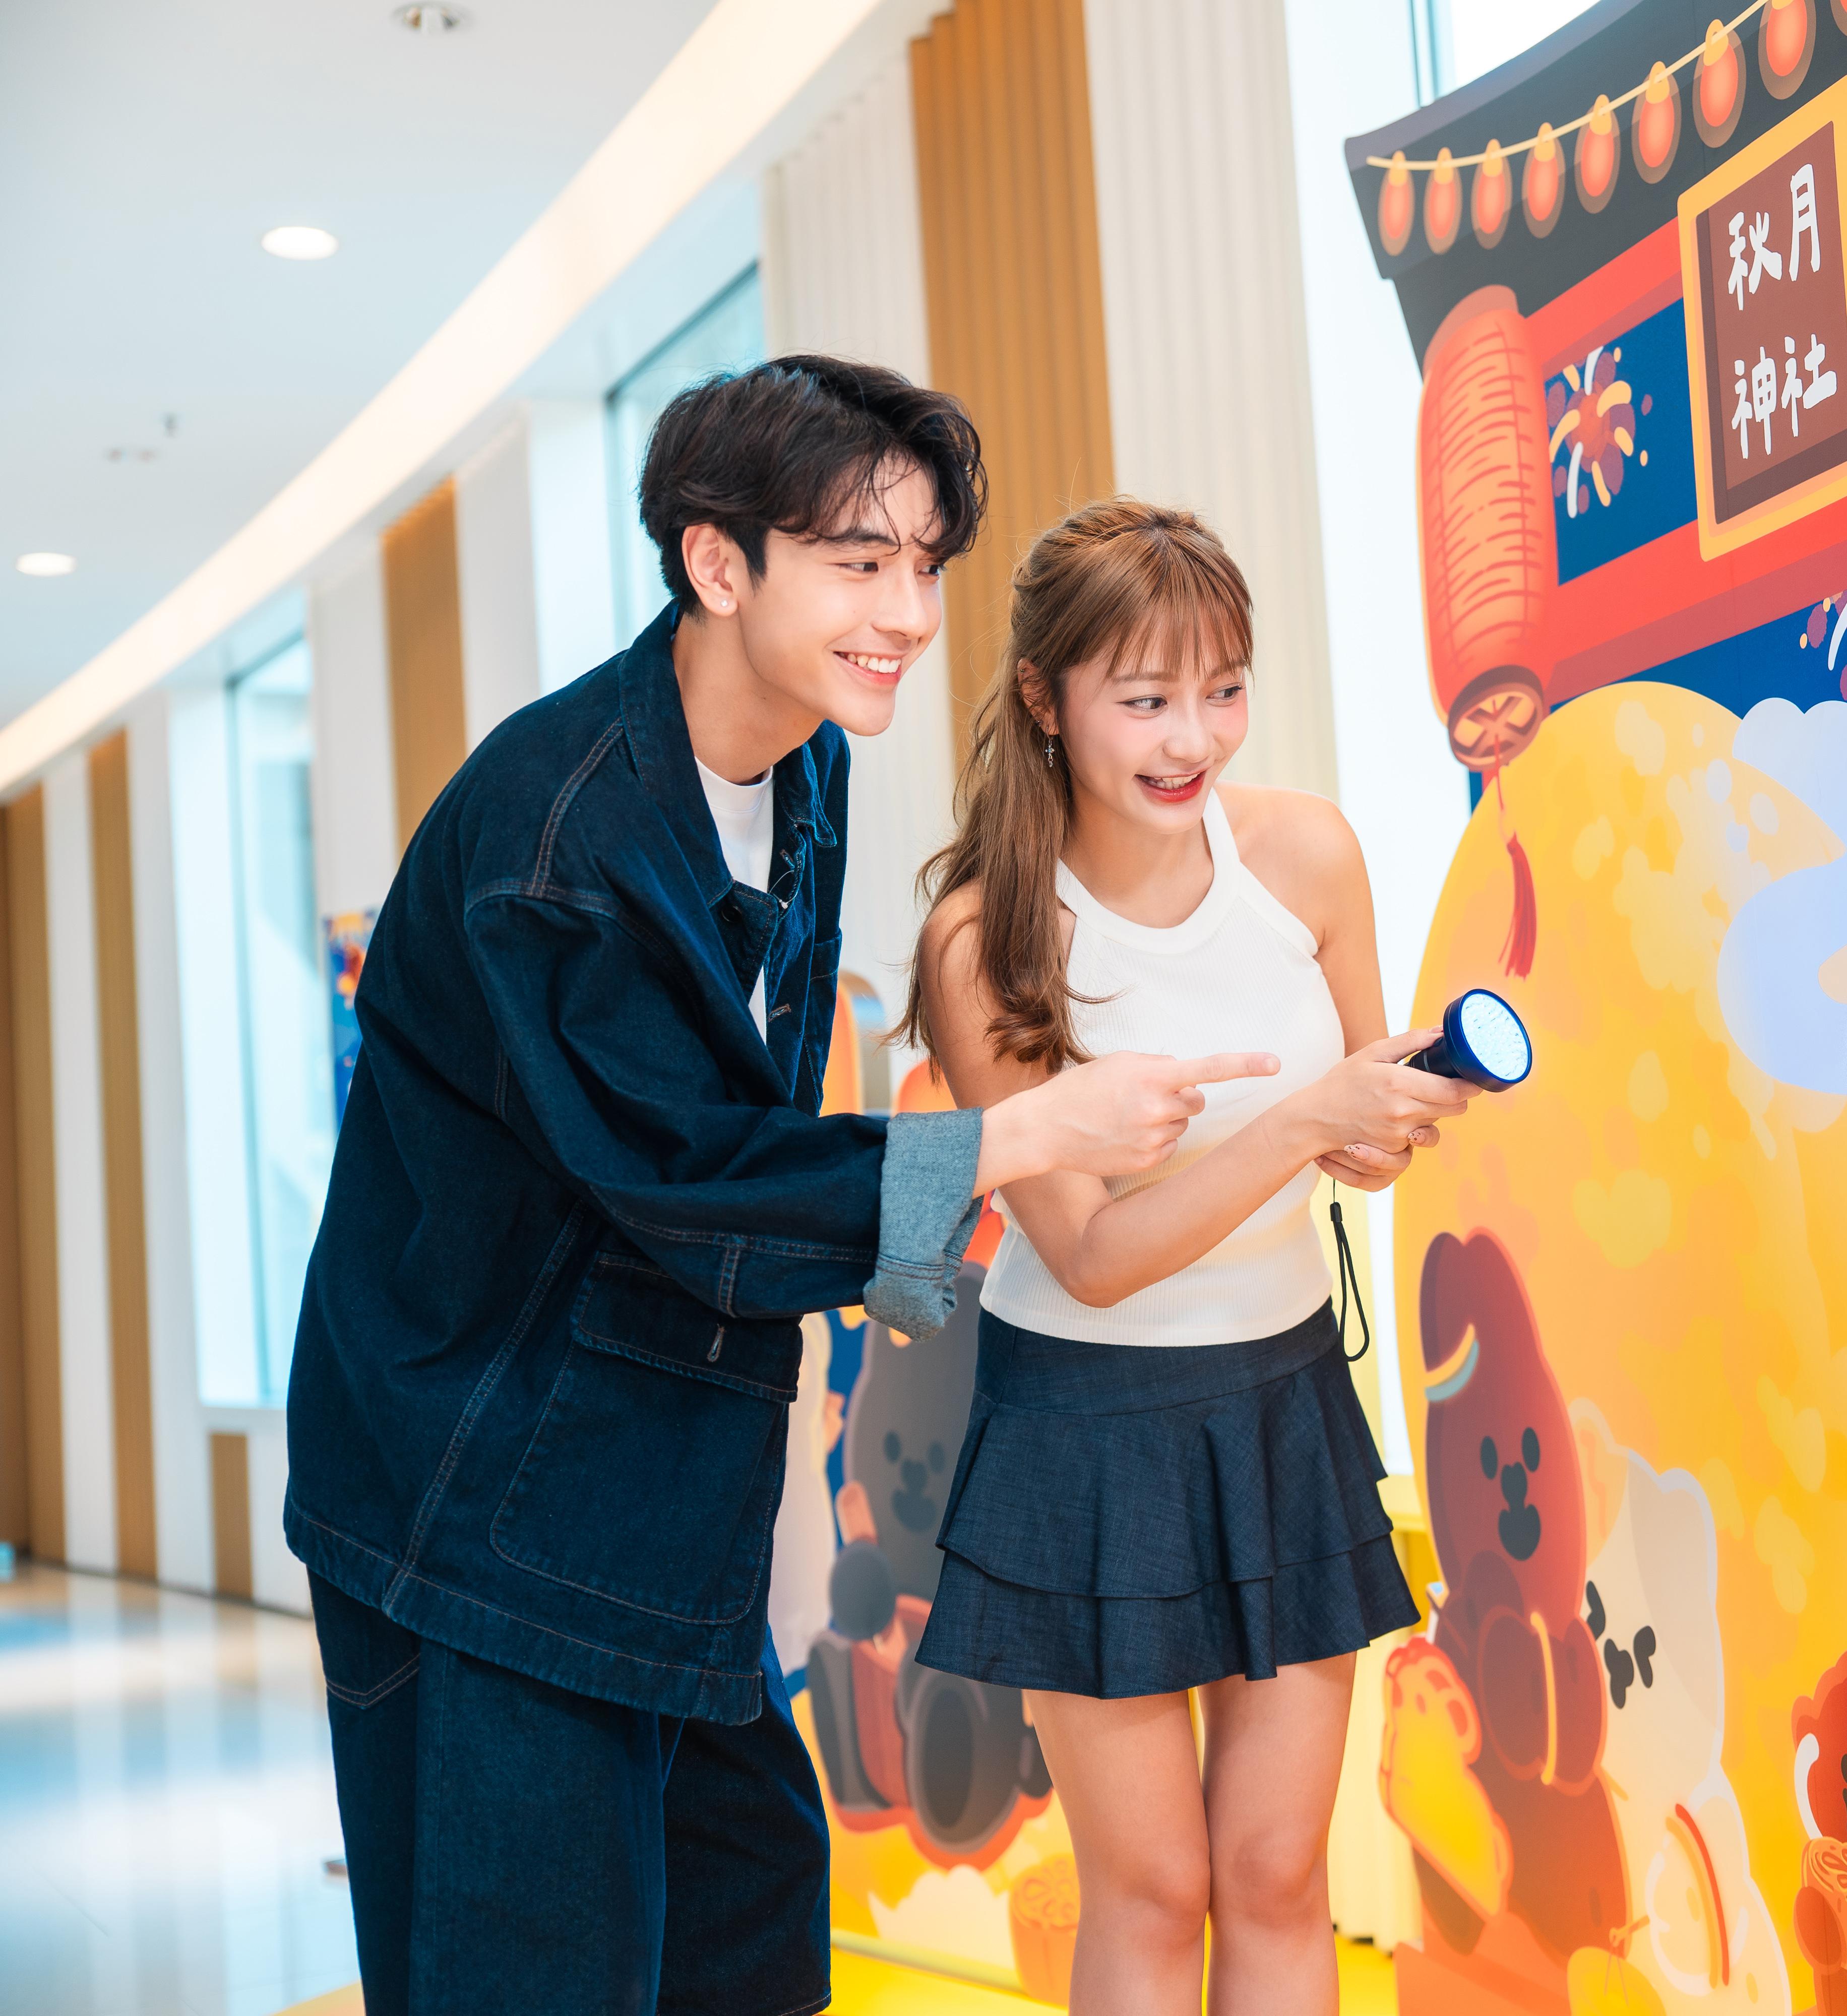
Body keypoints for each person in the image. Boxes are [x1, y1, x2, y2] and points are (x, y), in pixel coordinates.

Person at [283, 359, 1271, 2016]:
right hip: (475, 1503)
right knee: (535, 1975)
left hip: (662, 1483)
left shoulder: (806, 757)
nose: (907, 615)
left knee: (749, 1924)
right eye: (859, 563)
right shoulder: (556, 843)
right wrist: (1026, 1137)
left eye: (925, 567)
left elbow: (761, 1106)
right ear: (717, 562)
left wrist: (913, 1259)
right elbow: (682, 1175)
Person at [904, 498, 1460, 2015]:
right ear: (1045, 697)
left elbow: (1363, 1101)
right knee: (1154, 1892)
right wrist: (1306, 1128)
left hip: (1284, 1398)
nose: (1192, 739)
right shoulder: (986, 942)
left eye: (1223, 690)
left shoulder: (1309, 856)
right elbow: (1088, 1253)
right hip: (1086, 1428)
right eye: (1146, 700)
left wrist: (1383, 1126)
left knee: (1278, 1875)